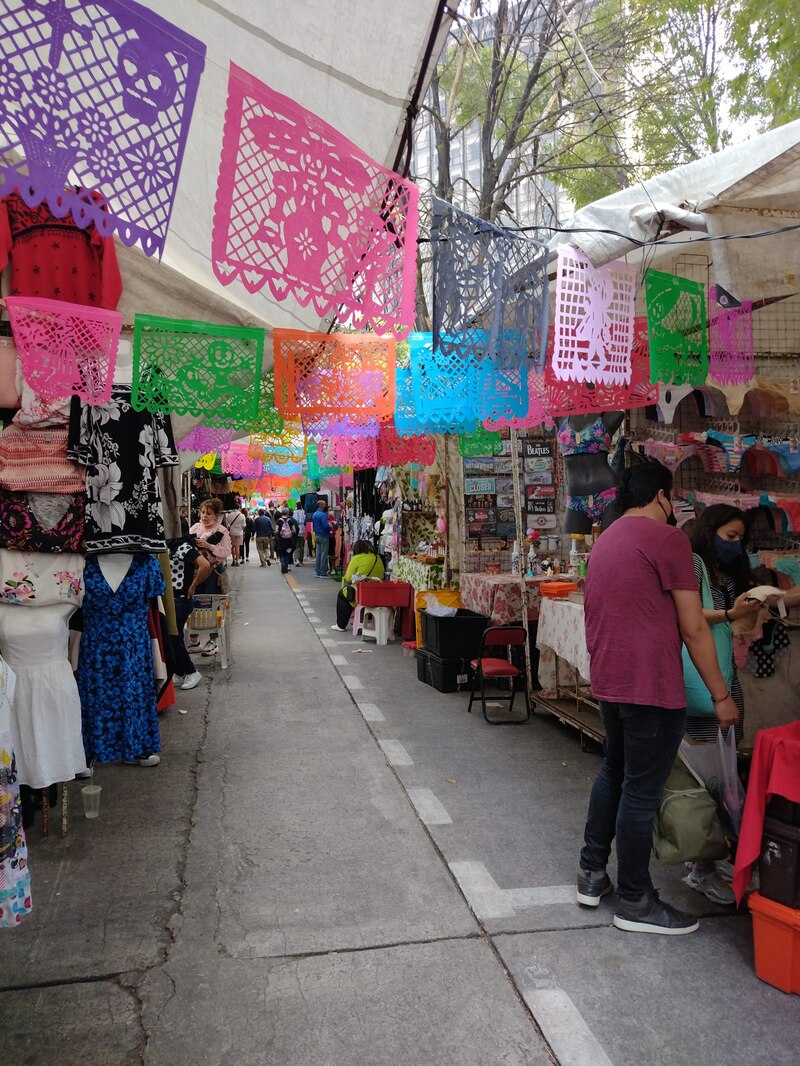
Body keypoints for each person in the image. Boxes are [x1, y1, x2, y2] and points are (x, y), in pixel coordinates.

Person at [577, 462, 739, 935]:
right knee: (640, 789)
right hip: (650, 684)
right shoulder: (668, 540)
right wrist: (721, 696)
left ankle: (591, 874)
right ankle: (635, 900)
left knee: (616, 772)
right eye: (676, 500)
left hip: (610, 679)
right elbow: (692, 627)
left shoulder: (605, 540)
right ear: (663, 497)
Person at [681, 504, 763, 904]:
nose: (735, 545)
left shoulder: (730, 571)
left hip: (725, 676)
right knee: (707, 779)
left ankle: (717, 857)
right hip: (702, 684)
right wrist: (732, 612)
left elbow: (733, 625)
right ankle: (701, 865)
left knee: (729, 774)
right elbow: (690, 616)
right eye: (730, 537)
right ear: (710, 530)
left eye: (740, 540)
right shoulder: (693, 564)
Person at [166, 534, 211, 690]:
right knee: (173, 637)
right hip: (173, 598)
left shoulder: (183, 547)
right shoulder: (169, 546)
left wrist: (193, 585)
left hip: (180, 598)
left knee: (174, 638)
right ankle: (179, 672)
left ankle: (191, 671)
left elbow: (204, 565)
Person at [189, 498, 232, 657]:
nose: (204, 516)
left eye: (208, 513)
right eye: (202, 513)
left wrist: (209, 546)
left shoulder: (221, 531)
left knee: (212, 604)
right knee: (194, 603)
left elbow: (226, 551)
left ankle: (214, 640)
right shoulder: (195, 528)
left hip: (214, 573)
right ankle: (194, 640)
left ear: (215, 515)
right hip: (196, 572)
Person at [330, 539, 384, 631]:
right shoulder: (378, 558)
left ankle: (341, 625)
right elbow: (382, 576)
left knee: (342, 595)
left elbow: (348, 578)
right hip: (377, 593)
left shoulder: (356, 558)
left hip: (361, 593)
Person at [275, 507, 299, 574]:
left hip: (281, 540)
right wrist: (290, 532)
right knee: (287, 553)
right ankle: (286, 565)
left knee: (282, 554)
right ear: (287, 513)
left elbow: (276, 530)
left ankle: (283, 566)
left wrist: (279, 532)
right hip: (288, 540)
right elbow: (294, 530)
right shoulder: (290, 521)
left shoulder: (278, 521)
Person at [313, 500, 331, 577]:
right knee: (324, 554)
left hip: (317, 535)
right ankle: (323, 572)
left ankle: (317, 571)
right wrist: (331, 527)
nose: (325, 506)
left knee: (318, 554)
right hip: (324, 535)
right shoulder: (323, 515)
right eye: (324, 505)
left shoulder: (315, 514)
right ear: (321, 505)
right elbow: (326, 526)